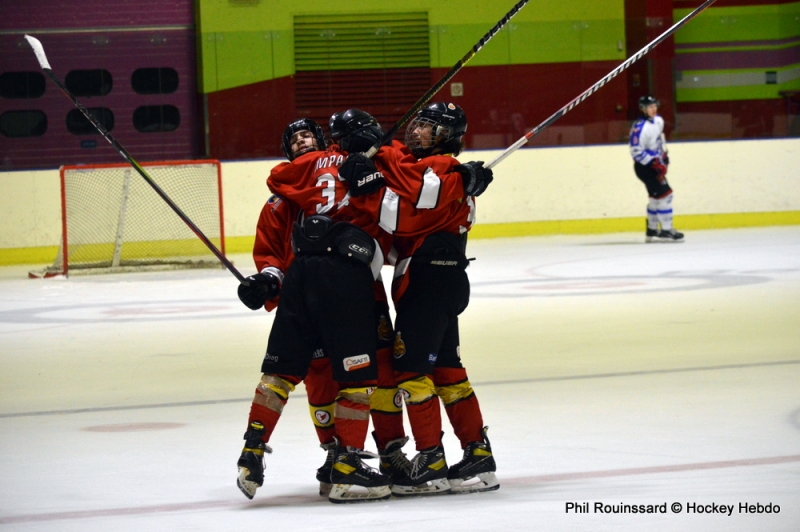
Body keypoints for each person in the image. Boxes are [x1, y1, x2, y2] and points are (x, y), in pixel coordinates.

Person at [338, 103, 499, 496]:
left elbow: (399, 220)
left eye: (427, 127)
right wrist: (379, 149)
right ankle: (478, 453)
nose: (417, 132)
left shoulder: (444, 172)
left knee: (411, 371)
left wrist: (367, 184)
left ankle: (430, 461)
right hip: (441, 278)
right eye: (418, 124)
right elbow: (405, 172)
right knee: (447, 370)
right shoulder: (435, 169)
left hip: (428, 280)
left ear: (446, 136)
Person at [237, 116, 398, 504]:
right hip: (336, 285)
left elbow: (279, 178)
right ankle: (340, 460)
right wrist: (267, 280)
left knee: (285, 373)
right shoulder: (340, 168)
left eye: (308, 134)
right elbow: (272, 255)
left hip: (319, 285)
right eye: (293, 139)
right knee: (341, 380)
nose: (301, 141)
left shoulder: (303, 176)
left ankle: (256, 452)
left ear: (326, 139)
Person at [629, 95, 684, 242]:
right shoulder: (639, 128)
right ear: (643, 109)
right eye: (650, 107)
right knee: (666, 196)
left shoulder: (658, 121)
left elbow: (659, 140)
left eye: (655, 106)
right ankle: (666, 230)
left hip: (654, 165)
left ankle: (652, 229)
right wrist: (653, 163)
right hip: (644, 168)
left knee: (655, 198)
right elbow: (635, 151)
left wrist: (663, 156)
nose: (654, 109)